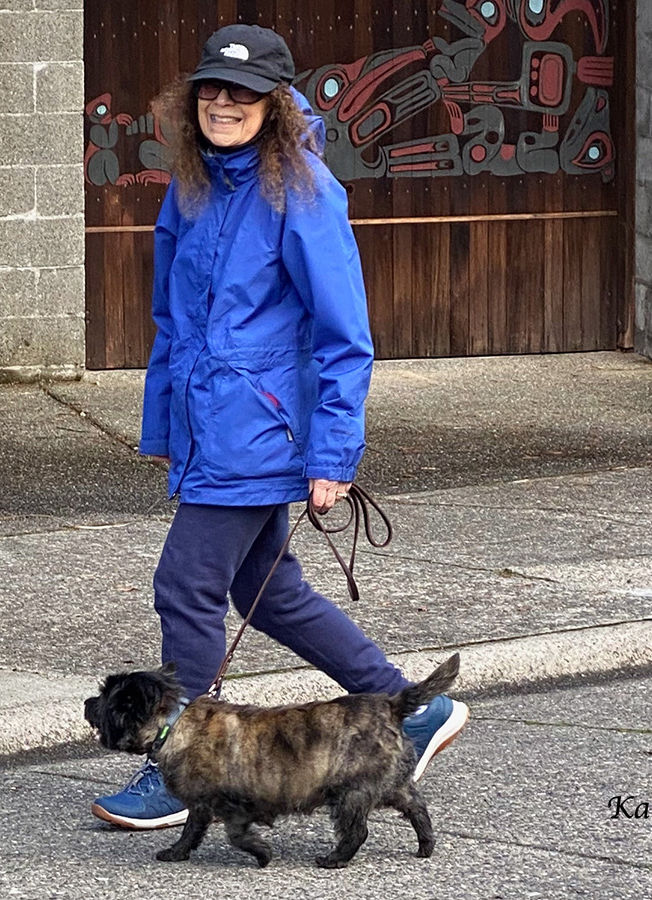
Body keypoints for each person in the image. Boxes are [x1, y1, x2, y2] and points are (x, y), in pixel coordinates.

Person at [91, 23, 469, 830]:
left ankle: (181, 763)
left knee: (185, 584)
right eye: (211, 88)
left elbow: (345, 335)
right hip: (211, 427)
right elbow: (174, 320)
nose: (223, 103)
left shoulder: (303, 190)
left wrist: (333, 452)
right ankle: (414, 709)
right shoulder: (191, 185)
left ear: (275, 104)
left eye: (243, 91)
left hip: (263, 433)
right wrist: (167, 424)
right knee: (271, 594)